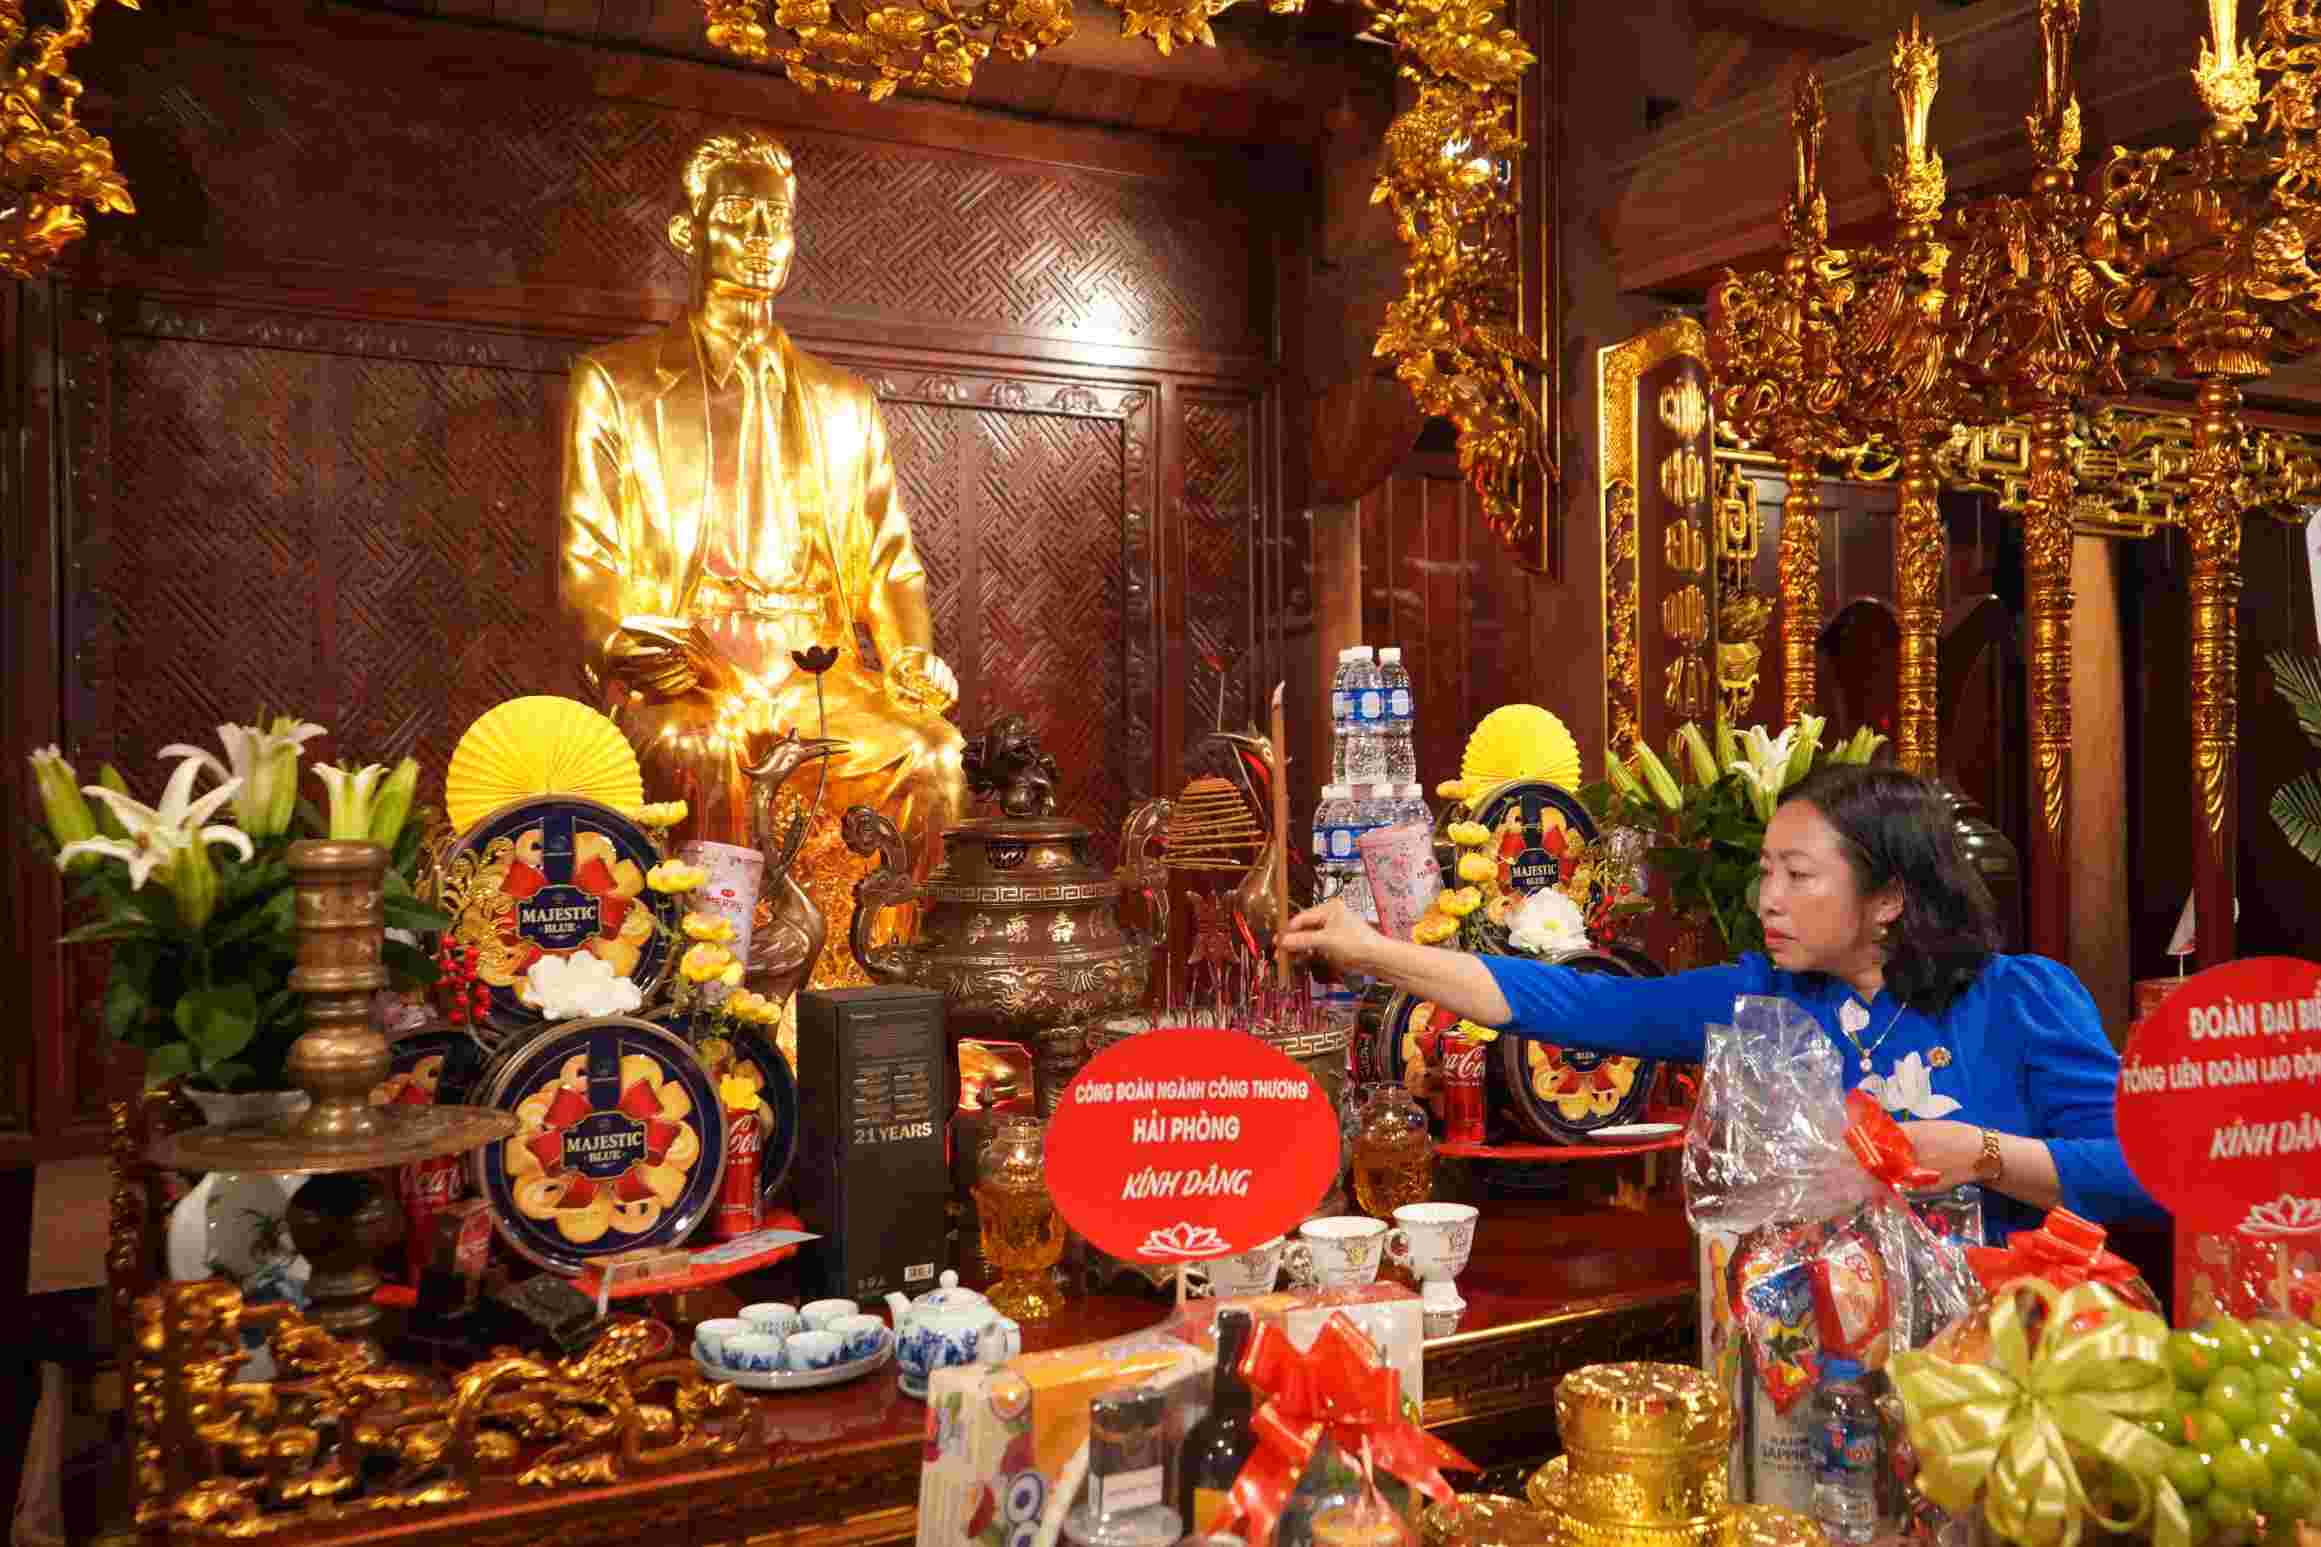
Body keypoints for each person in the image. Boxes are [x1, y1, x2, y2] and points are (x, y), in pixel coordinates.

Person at [1280, 763, 2161, 1243]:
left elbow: (2140, 1173)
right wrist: (1376, 953)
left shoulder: (2020, 1000)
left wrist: (1985, 1155)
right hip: (1812, 1362)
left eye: (1797, 874)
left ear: (1888, 896)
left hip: (1996, 1361)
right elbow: (1574, 1003)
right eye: (1765, 869)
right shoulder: (1762, 999)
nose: (1766, 896)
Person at [558, 129, 967, 870]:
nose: (759, 237)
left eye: (775, 221)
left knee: (932, 751)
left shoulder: (842, 400)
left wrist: (911, 659)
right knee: (698, 745)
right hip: (692, 665)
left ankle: (902, 977)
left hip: (817, 672)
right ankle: (710, 978)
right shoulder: (618, 382)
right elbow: (589, 558)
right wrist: (618, 637)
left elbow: (889, 561)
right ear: (688, 232)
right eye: (738, 215)